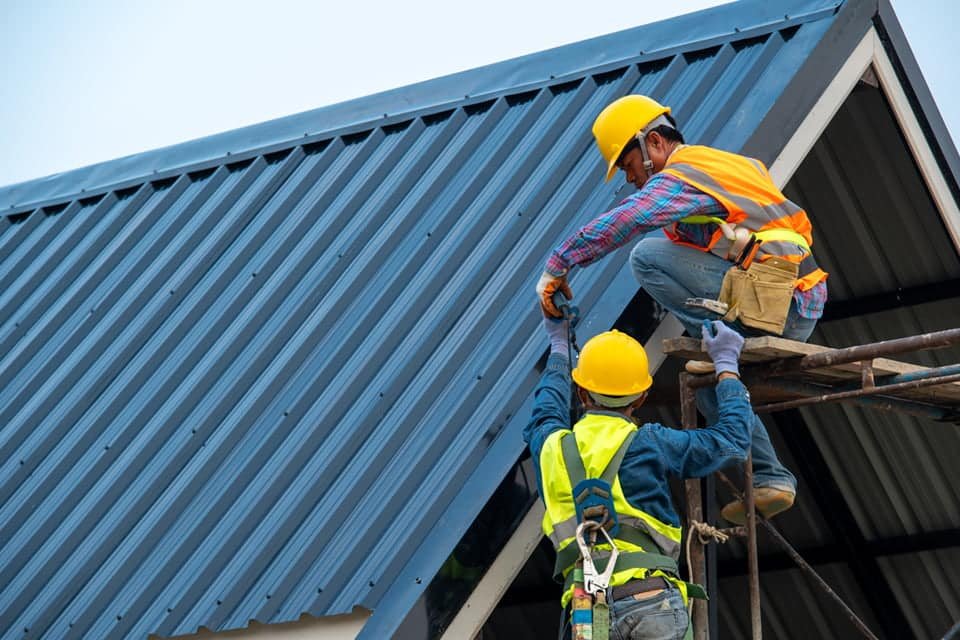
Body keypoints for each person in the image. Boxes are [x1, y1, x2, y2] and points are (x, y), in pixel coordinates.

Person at [535, 94, 828, 523]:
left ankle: (715, 338)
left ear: (654, 143)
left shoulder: (685, 175)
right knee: (709, 382)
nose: (633, 180)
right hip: (794, 304)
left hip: (780, 299)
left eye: (631, 167)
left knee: (646, 256)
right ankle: (771, 476)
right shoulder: (727, 168)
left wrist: (558, 266)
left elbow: (629, 219)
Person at [524, 314, 751, 639]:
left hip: (586, 617)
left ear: (581, 393)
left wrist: (559, 345)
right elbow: (732, 441)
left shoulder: (549, 446)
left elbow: (546, 408)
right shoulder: (650, 443)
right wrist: (727, 366)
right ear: (642, 397)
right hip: (650, 601)